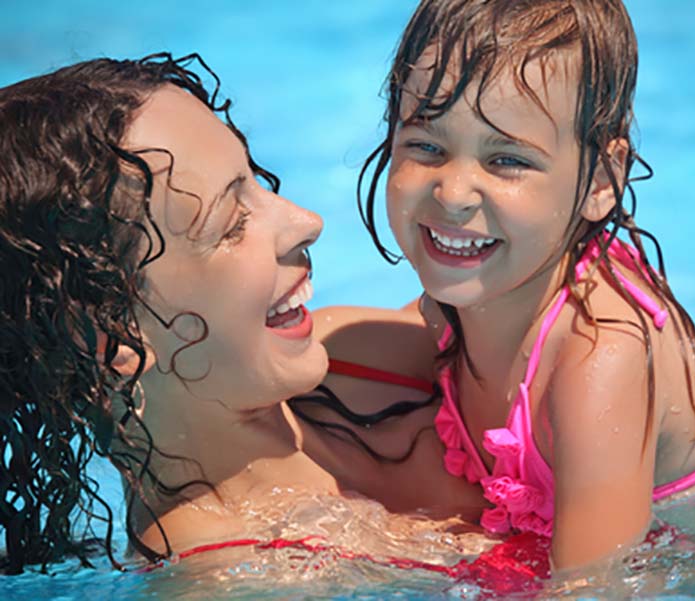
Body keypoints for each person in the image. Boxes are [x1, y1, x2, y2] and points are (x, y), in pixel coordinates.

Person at [354, 0, 695, 571]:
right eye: (426, 146)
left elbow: (598, 586)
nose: (454, 192)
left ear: (601, 179)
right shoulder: (457, 303)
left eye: (507, 160)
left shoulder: (598, 358)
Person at [0, 53, 483, 576]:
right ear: (110, 332)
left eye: (256, 180)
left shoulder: (347, 354)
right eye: (231, 223)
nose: (306, 221)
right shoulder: (240, 579)